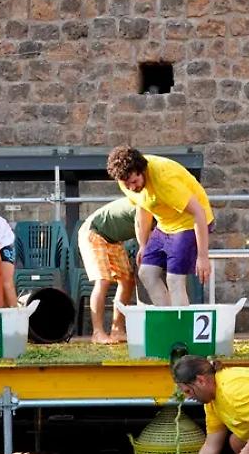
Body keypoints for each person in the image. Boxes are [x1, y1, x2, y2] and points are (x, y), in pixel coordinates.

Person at [106, 146, 214, 306]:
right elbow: (142, 208)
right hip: (165, 225)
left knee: (174, 279)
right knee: (146, 273)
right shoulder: (126, 180)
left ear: (141, 170)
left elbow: (199, 212)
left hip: (189, 223)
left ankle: (181, 328)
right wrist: (143, 244)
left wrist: (203, 256)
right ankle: (168, 321)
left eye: (134, 182)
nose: (132, 188)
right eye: (127, 185)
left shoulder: (165, 180)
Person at [78, 197, 138, 343]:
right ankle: (97, 332)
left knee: (127, 281)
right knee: (103, 280)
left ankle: (117, 329)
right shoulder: (144, 206)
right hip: (94, 232)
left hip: (114, 239)